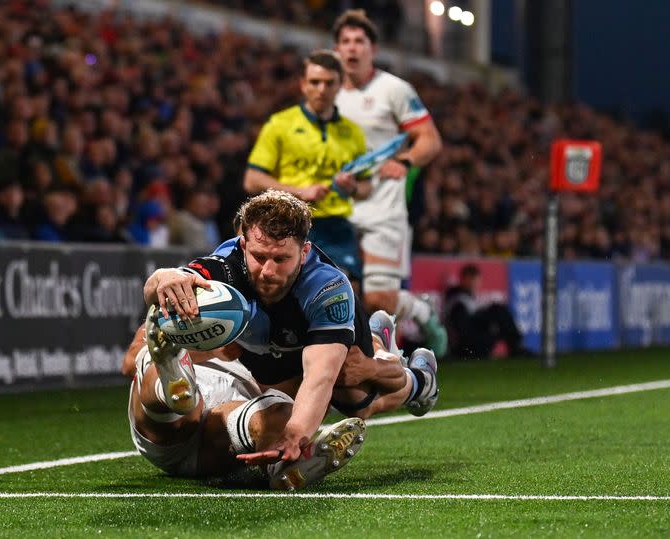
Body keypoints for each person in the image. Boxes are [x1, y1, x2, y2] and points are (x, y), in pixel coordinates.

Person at [141, 190, 439, 471]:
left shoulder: (327, 289)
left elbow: (320, 376)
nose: (268, 271)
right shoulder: (225, 265)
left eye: (281, 259)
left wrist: (296, 434)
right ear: (242, 244)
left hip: (323, 347)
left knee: (355, 394)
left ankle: (418, 380)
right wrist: (163, 276)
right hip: (271, 349)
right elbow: (168, 283)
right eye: (259, 257)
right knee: (275, 386)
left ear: (305, 251)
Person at [122, 319, 366, 490]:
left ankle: (283, 468)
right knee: (154, 367)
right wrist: (210, 351)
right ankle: (176, 382)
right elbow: (130, 361)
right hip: (169, 426)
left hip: (223, 419)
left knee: (282, 413)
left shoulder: (259, 324)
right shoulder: (166, 320)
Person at [333, 10, 448, 358]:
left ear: (373, 49)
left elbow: (430, 139)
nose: (352, 49)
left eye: (359, 42)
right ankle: (366, 360)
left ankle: (422, 312)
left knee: (378, 298)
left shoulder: (393, 89)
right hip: (338, 205)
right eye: (346, 42)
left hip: (384, 206)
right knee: (335, 293)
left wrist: (406, 159)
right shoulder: (328, 93)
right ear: (336, 50)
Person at [243, 50, 370, 284]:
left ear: (340, 85)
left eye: (329, 83)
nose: (322, 89)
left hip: (336, 227)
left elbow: (366, 188)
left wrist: (351, 187)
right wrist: (300, 192)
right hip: (289, 224)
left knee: (348, 292)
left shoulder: (353, 133)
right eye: (315, 82)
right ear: (303, 84)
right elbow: (252, 179)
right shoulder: (280, 124)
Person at [443, 263, 529, 359]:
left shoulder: (466, 298)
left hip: (467, 341)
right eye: (471, 279)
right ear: (463, 279)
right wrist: (489, 334)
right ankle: (516, 347)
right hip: (462, 347)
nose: (474, 283)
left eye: (476, 280)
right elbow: (463, 331)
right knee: (497, 311)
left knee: (498, 310)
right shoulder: (458, 302)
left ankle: (516, 345)